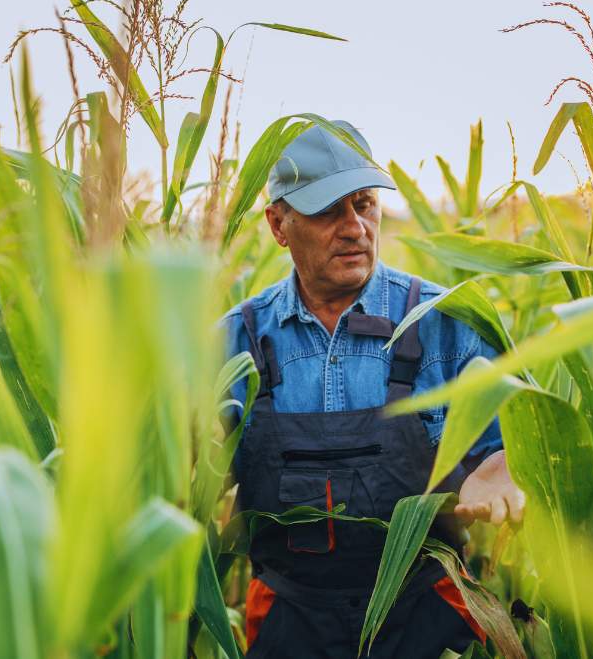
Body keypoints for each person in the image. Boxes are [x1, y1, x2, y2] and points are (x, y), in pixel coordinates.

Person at [221, 119, 525, 658]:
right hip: (289, 619)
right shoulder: (237, 341)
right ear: (278, 223)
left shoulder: (446, 323)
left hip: (426, 615)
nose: (354, 227)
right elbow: (182, 473)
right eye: (327, 210)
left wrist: (498, 464)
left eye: (363, 203)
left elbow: (513, 446)